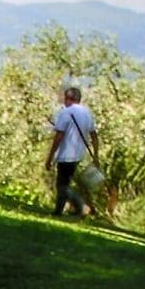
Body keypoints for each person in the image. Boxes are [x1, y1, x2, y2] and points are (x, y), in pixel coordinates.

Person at [45, 86, 99, 217]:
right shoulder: (87, 113)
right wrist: (96, 155)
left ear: (68, 99)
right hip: (78, 154)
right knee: (64, 183)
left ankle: (81, 206)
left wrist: (50, 156)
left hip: (66, 154)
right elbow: (94, 136)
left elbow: (59, 136)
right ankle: (58, 211)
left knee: (62, 186)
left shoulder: (66, 112)